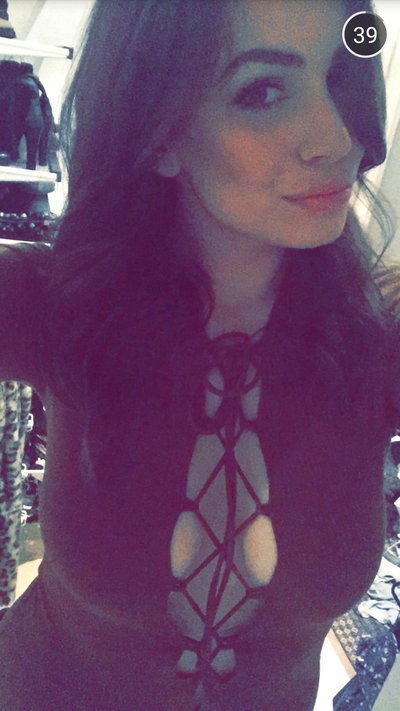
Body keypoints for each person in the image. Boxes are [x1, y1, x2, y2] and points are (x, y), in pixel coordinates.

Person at [0, 0, 399, 709]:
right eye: (263, 91)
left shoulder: (379, 340)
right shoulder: (60, 303)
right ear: (160, 132)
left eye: (341, 78)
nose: (337, 139)